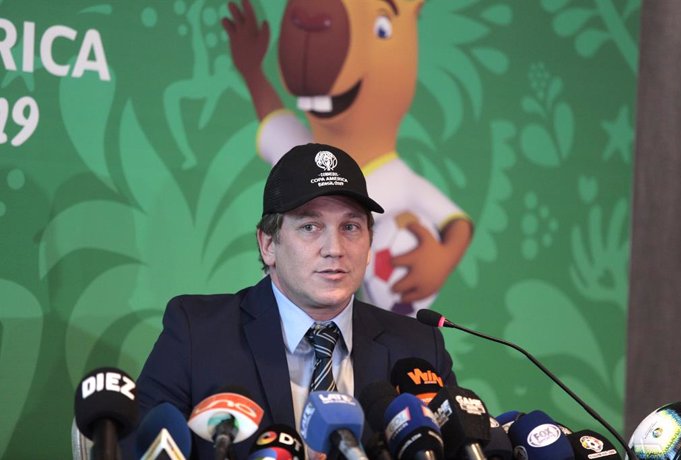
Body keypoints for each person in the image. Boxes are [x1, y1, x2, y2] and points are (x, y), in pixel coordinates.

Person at [135, 143, 457, 459]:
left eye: (350, 227)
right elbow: (137, 447)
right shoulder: (198, 334)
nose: (334, 248)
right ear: (268, 244)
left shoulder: (418, 348)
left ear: (370, 244)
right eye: (310, 226)